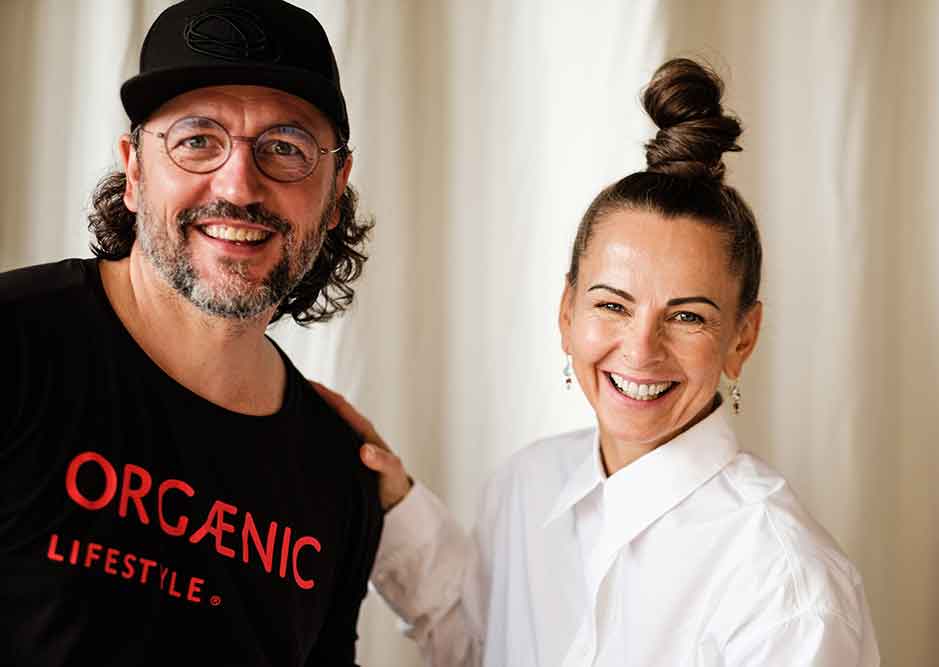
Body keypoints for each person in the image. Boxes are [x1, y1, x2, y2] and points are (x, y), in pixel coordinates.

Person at [319, 59, 881, 666]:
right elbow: (480, 647)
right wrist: (392, 500)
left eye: (687, 316)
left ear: (743, 338)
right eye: (613, 305)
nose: (641, 349)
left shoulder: (789, 592)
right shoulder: (525, 486)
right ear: (567, 313)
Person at [0, 1, 382, 665]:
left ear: (335, 189)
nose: (239, 185)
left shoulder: (339, 474)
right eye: (197, 140)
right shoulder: (14, 347)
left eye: (285, 148)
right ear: (135, 169)